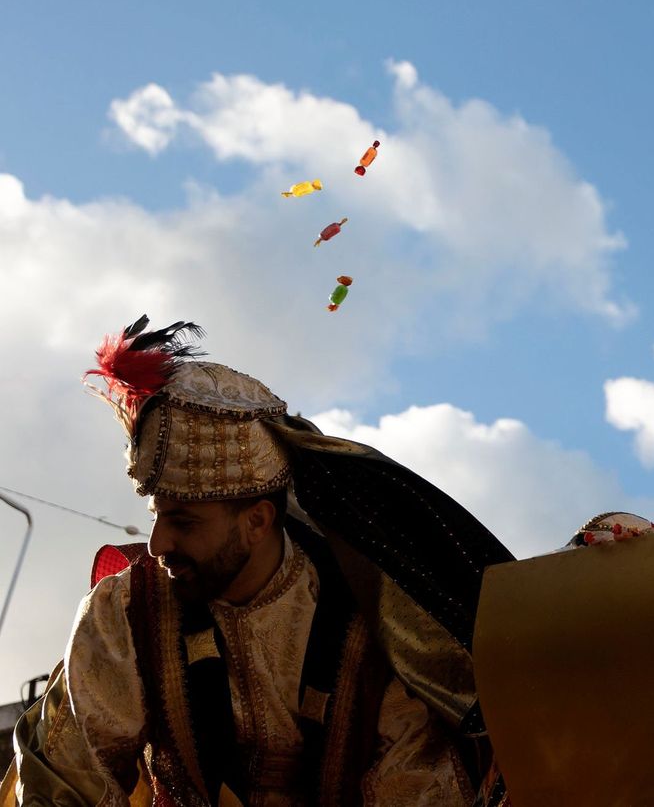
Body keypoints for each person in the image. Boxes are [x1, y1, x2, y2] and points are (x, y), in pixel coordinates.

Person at [3, 318, 511, 806]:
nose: (156, 544)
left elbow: (418, 788)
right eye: (156, 515)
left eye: (184, 521)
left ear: (257, 521)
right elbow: (66, 780)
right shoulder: (125, 612)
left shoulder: (374, 622)